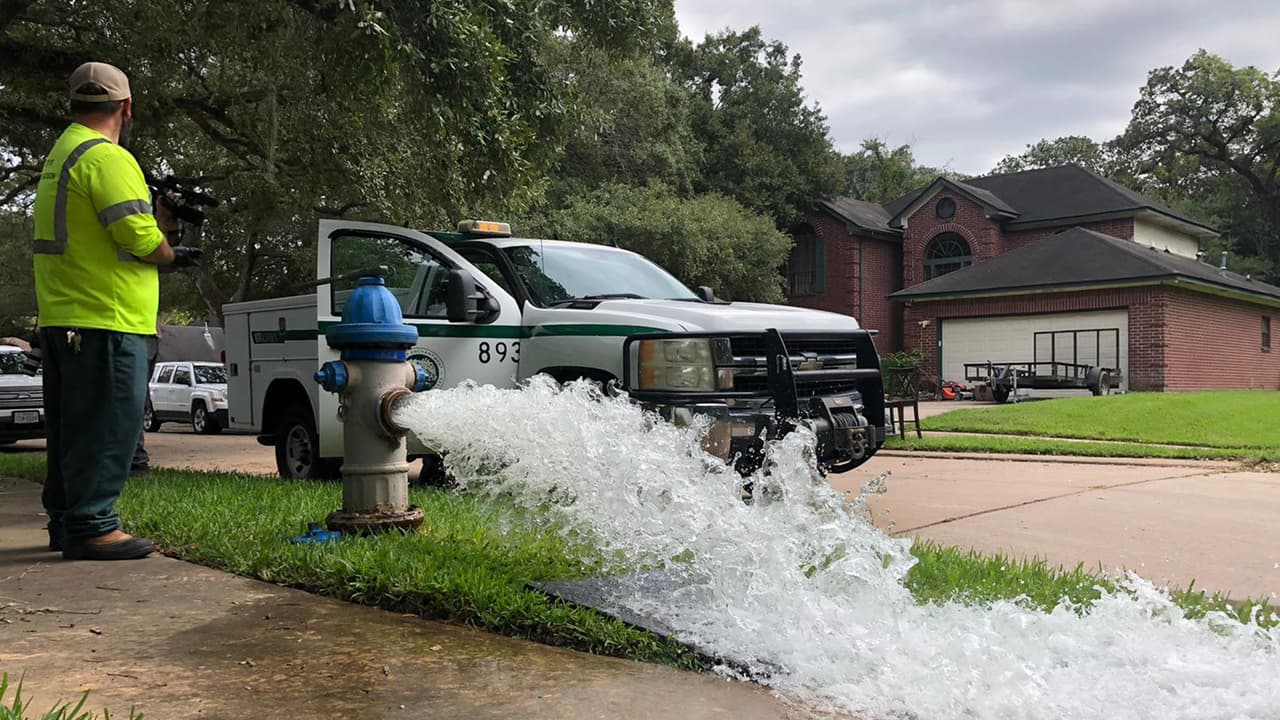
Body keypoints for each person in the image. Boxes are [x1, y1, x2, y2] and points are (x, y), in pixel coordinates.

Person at [33, 61, 200, 560]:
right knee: (108, 427)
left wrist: (159, 223)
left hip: (65, 315)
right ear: (126, 106)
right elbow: (140, 238)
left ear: (73, 103)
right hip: (106, 318)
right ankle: (93, 525)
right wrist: (172, 252)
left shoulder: (61, 154)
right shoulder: (108, 158)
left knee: (71, 430)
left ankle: (67, 522)